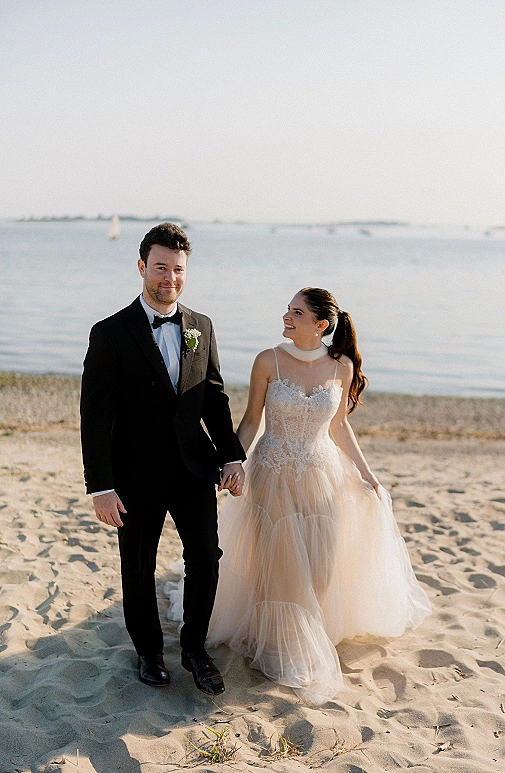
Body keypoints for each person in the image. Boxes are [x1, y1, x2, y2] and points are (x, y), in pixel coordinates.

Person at [167, 287, 431, 704]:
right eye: (287, 310)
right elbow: (252, 419)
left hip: (322, 473)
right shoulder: (267, 360)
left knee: (319, 565)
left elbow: (340, 426)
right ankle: (278, 641)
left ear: (321, 324)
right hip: (271, 473)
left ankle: (310, 629)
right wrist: (232, 462)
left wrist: (367, 474)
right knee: (278, 564)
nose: (286, 317)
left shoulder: (340, 367)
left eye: (297, 312)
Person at [80, 222, 245, 696]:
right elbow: (94, 415)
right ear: (141, 268)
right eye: (160, 267)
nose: (169, 277)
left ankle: (195, 648)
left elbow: (214, 399)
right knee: (137, 565)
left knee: (206, 560)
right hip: (133, 476)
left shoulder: (202, 326)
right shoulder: (109, 333)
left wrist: (232, 457)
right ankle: (149, 652)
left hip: (195, 469)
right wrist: (101, 486)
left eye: (178, 269)